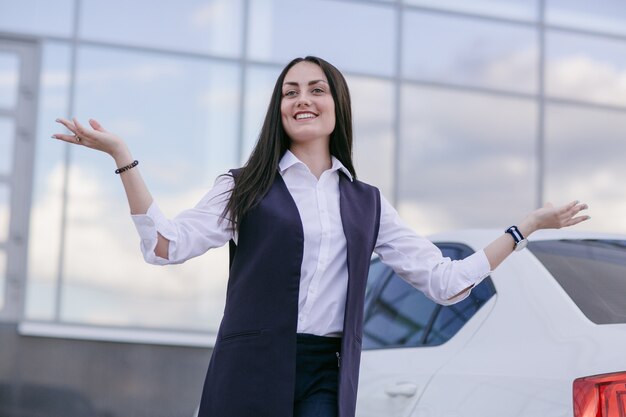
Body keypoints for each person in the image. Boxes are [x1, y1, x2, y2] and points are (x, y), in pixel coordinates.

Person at [52, 56, 589, 417]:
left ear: (337, 105)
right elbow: (163, 246)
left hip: (326, 376)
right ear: (279, 109)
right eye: (290, 92)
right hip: (249, 370)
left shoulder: (367, 202)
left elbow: (446, 282)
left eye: (315, 89)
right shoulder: (243, 187)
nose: (301, 99)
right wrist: (124, 159)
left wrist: (526, 228)